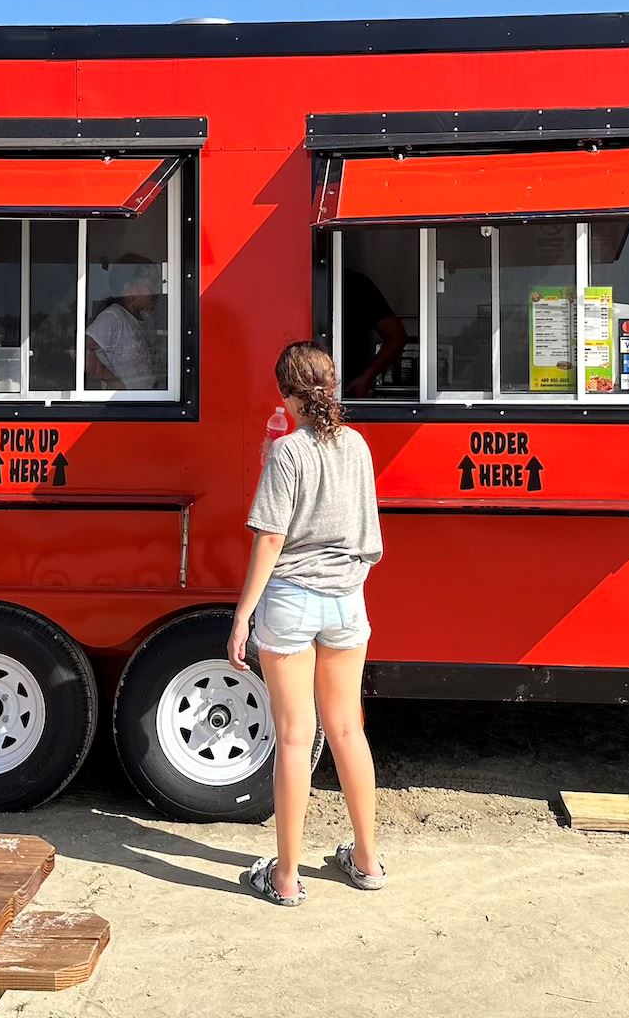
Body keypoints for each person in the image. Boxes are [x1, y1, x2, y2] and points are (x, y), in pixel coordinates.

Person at [230, 342, 386, 905]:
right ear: (333, 385)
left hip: (292, 601)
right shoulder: (359, 447)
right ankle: (366, 861)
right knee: (348, 730)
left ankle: (287, 877)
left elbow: (270, 538)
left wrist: (242, 616)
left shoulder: (287, 452)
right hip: (347, 600)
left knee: (296, 737)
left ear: (286, 394)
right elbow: (367, 531)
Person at [84, 255, 161, 390]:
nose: (156, 292)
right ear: (128, 288)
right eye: (150, 284)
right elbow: (80, 351)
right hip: (125, 404)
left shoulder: (146, 320)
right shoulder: (113, 317)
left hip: (148, 399)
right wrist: (113, 381)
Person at [338, 268, 408, 399]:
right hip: (307, 395)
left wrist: (365, 378)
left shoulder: (355, 283)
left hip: (348, 394)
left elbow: (397, 336)